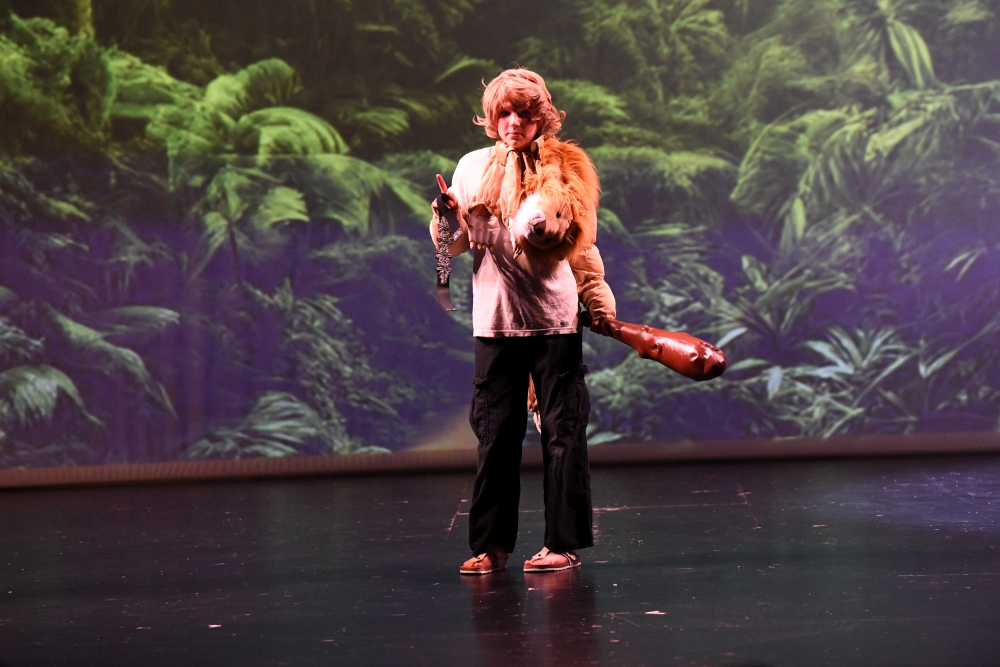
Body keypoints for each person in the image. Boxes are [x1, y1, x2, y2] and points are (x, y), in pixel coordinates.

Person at [429, 67, 616, 575]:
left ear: (541, 118)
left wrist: (598, 301)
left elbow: (582, 246)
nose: (513, 122)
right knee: (495, 436)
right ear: (492, 118)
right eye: (504, 113)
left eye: (524, 113)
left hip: (554, 321)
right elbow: (453, 246)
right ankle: (490, 546)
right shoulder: (472, 167)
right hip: (495, 322)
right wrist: (445, 214)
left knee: (563, 434)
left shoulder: (564, 167)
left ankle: (562, 544)